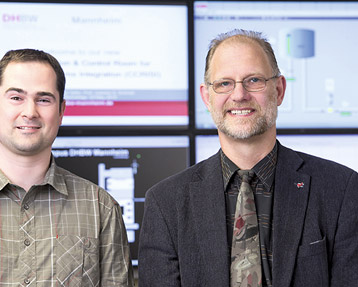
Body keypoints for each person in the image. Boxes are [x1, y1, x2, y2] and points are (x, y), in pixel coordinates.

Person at [138, 29, 358, 286]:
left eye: (253, 80)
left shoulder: (341, 190)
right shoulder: (166, 203)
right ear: (207, 98)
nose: (239, 95)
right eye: (224, 83)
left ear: (279, 89)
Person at [0, 49, 134, 286]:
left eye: (43, 99)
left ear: (61, 112)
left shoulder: (100, 209)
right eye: (16, 97)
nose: (29, 112)